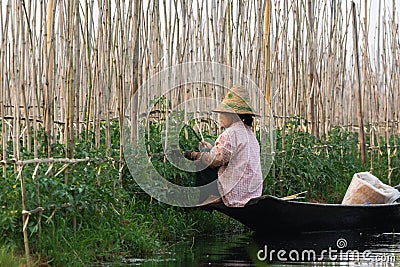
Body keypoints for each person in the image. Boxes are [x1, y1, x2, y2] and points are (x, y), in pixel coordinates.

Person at [185, 85, 263, 207]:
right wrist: (212, 148)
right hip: (252, 191)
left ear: (232, 115)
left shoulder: (231, 133)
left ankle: (213, 196)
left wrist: (195, 155)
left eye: (223, 113)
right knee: (208, 151)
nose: (220, 116)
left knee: (204, 157)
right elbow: (227, 154)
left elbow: (214, 160)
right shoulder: (249, 133)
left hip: (235, 192)